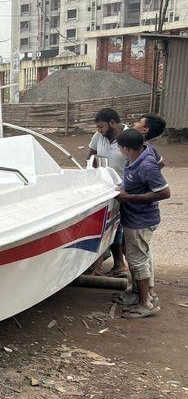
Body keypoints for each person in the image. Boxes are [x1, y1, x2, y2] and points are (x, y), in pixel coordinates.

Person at [115, 129, 170, 319]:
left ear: (126, 148)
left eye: (120, 147)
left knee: (138, 260)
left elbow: (164, 192)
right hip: (133, 218)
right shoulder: (137, 156)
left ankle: (145, 302)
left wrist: (130, 197)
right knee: (137, 257)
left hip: (141, 220)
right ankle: (138, 293)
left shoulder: (146, 166)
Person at [87, 108, 128, 277]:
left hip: (124, 190)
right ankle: (116, 263)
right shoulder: (99, 137)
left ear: (112, 123)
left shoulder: (129, 137)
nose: (99, 131)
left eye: (101, 127)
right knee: (109, 226)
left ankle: (120, 264)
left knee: (120, 228)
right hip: (105, 190)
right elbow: (91, 155)